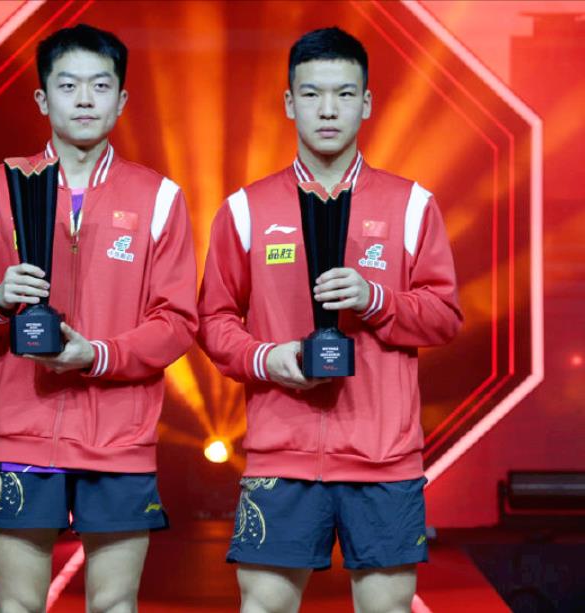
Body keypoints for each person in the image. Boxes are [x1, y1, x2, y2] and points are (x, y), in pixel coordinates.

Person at [198, 27, 462, 613]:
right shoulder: (246, 208)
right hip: (281, 455)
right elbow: (213, 321)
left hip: (383, 457)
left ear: (366, 103)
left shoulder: (411, 205)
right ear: (289, 102)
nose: (327, 110)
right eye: (312, 94)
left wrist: (377, 300)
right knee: (264, 607)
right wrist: (267, 358)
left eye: (344, 94)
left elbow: (444, 317)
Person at [0, 24, 197, 613]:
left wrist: (97, 355)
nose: (84, 99)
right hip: (22, 434)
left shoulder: (159, 197)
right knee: (17, 604)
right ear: (42, 98)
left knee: (114, 605)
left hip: (119, 438)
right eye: (68, 85)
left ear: (122, 99)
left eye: (100, 85)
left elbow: (177, 322)